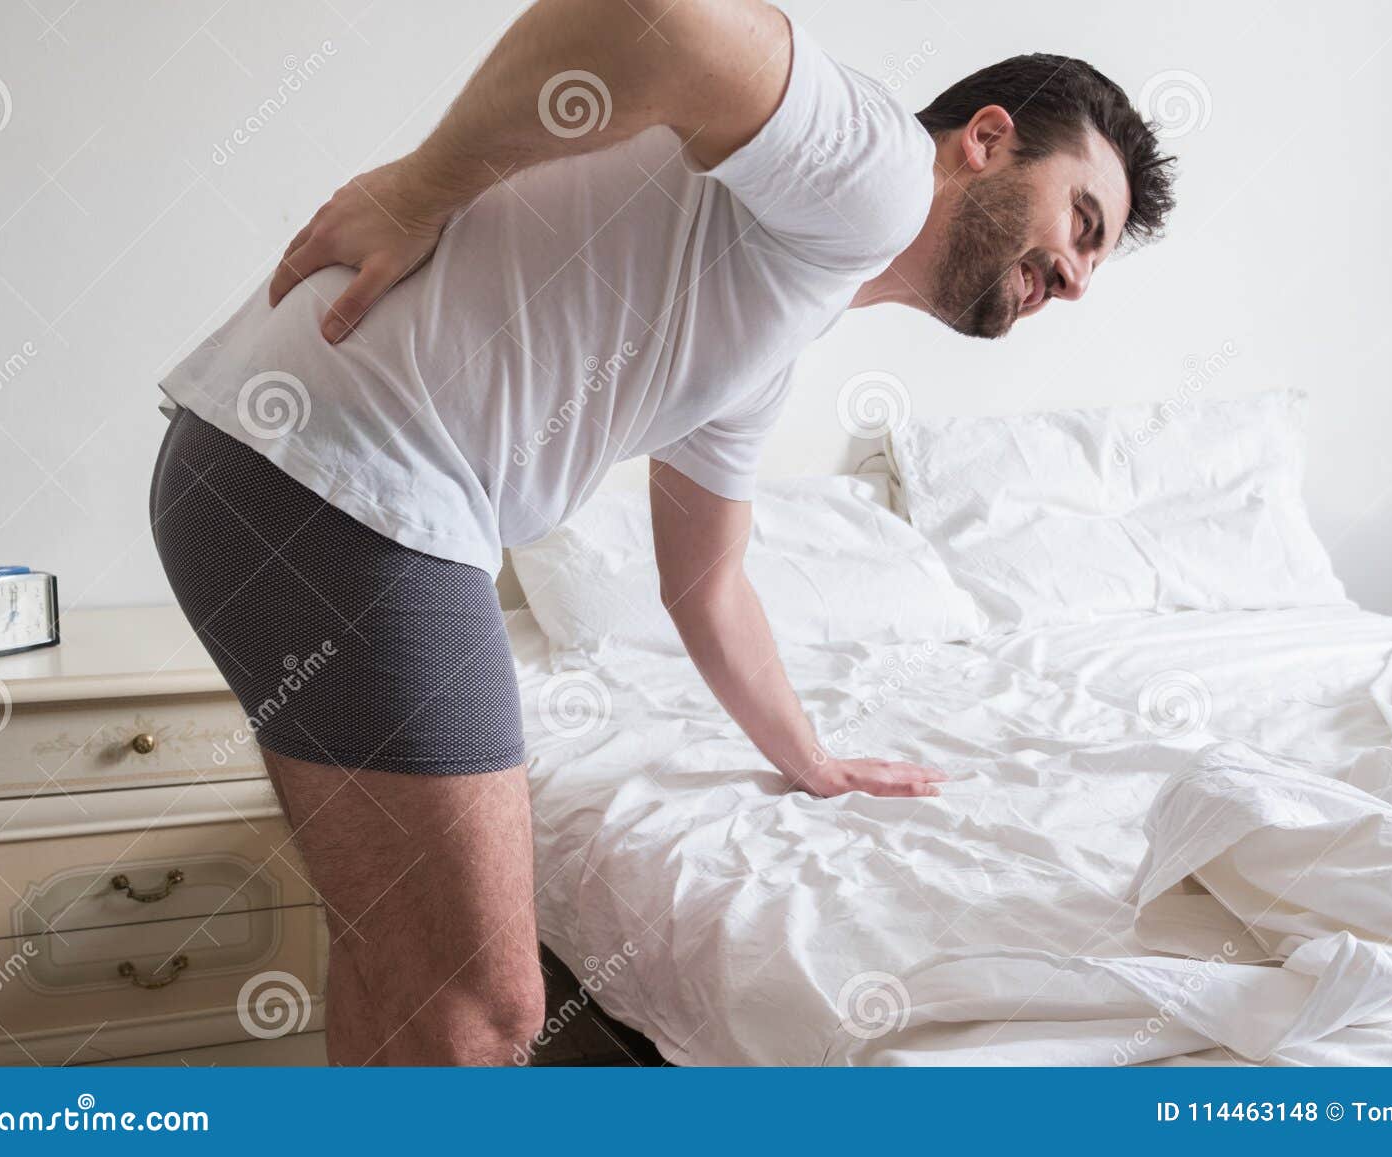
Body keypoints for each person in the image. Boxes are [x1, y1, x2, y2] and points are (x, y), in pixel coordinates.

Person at [149, 0, 1175, 1066]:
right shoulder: (875, 177)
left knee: (400, 965)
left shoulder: (773, 310)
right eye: (1082, 224)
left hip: (265, 473)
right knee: (490, 1006)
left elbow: (707, 579)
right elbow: (656, 16)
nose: (1078, 276)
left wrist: (810, 758)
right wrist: (415, 192)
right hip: (342, 481)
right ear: (987, 138)